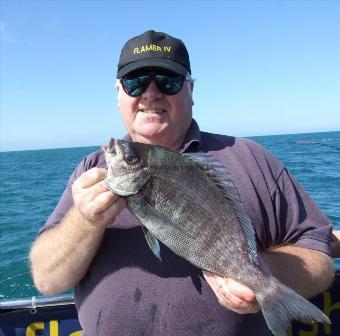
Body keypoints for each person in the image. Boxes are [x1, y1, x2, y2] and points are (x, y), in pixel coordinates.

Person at [30, 30, 335, 335]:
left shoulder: (252, 158)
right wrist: (84, 222)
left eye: (168, 80)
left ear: (191, 90)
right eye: (135, 83)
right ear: (118, 94)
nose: (150, 94)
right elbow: (47, 281)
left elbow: (319, 257)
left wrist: (261, 273)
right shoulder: (89, 170)